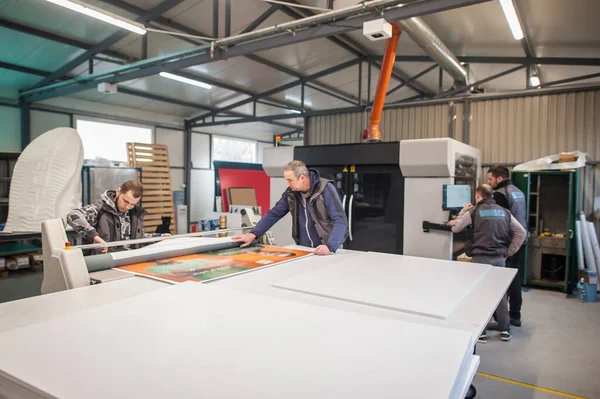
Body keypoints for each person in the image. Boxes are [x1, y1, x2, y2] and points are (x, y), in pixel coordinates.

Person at [450, 184, 526, 342]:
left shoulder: (475, 211)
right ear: (492, 196)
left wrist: (463, 210)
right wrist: (509, 251)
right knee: (500, 295)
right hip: (499, 259)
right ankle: (505, 330)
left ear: (478, 196)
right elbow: (521, 232)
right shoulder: (505, 212)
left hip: (480, 259)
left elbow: (456, 229)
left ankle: (482, 332)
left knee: (480, 295)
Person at [232, 160, 348, 255]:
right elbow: (274, 213)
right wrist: (253, 234)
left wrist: (330, 246)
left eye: (289, 180)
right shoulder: (291, 193)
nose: (288, 184)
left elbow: (340, 221)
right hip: (305, 250)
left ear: (302, 177)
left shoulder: (325, 189)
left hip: (327, 250)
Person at [488, 165, 527, 327]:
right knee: (513, 279)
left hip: (508, 243)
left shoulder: (500, 194)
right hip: (521, 239)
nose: (489, 183)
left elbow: (498, 220)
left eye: (490, 179)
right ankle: (515, 316)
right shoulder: (518, 191)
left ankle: (500, 319)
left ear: (499, 178)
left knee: (499, 282)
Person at [67, 180, 152, 253]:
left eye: (132, 204)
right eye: (125, 201)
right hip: (103, 263)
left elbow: (139, 237)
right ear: (118, 191)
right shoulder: (99, 209)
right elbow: (73, 215)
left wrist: (161, 236)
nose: (127, 207)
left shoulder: (135, 214)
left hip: (128, 261)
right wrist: (93, 236)